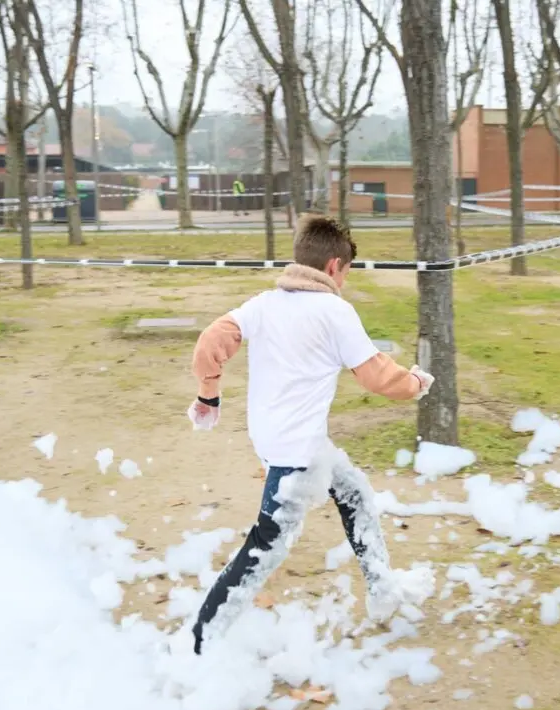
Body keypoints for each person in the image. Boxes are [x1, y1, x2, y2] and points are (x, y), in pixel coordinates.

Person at [186, 214, 436, 655]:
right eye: (348, 272)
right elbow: (377, 375)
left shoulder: (263, 304)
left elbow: (211, 339)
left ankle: (383, 592)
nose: (347, 281)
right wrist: (415, 383)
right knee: (264, 549)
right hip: (295, 456)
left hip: (288, 442)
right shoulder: (334, 311)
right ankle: (199, 642)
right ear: (335, 266)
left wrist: (209, 396)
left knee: (355, 495)